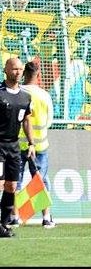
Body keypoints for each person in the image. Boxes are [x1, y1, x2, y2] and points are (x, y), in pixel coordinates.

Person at [14, 61, 54, 228]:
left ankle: (14, 216)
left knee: (15, 180)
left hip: (17, 145)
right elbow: (49, 121)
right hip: (40, 146)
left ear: (24, 75)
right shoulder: (44, 96)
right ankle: (46, 218)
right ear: (39, 75)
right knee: (41, 180)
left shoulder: (18, 93)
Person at [0, 57, 35, 237]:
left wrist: (31, 143)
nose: (18, 72)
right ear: (6, 70)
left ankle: (3, 225)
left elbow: (27, 121)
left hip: (13, 146)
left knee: (11, 186)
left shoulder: (25, 97)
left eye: (20, 69)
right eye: (14, 69)